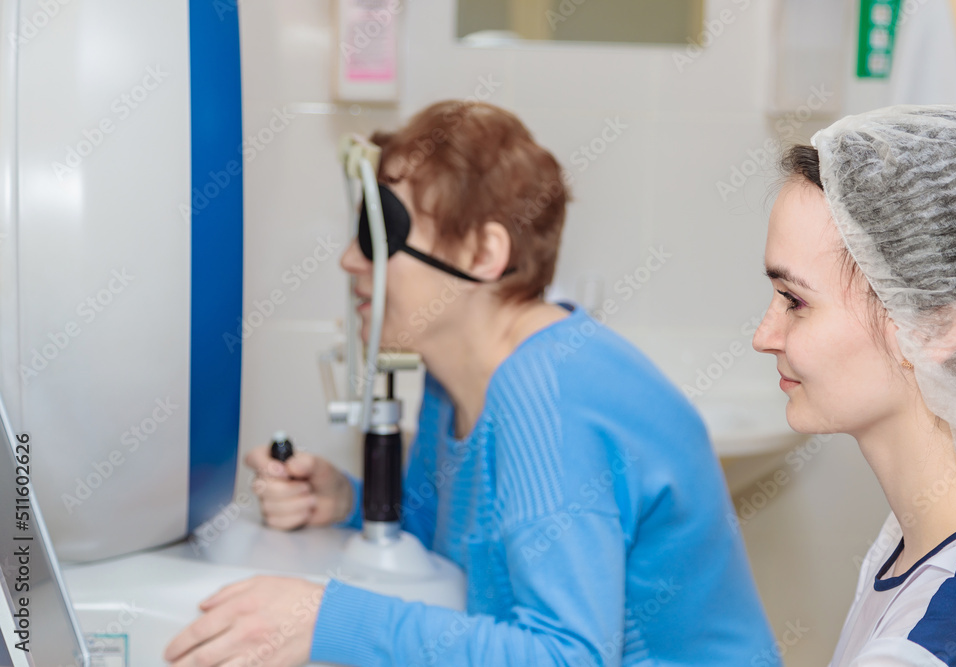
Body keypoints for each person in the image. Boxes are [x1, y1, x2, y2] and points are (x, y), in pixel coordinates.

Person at [165, 100, 774, 666]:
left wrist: (325, 619)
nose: (351, 259)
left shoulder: (548, 396)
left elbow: (568, 657)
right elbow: (452, 550)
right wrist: (349, 503)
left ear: (484, 252)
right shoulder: (455, 377)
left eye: (382, 234)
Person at [753, 105, 956, 666]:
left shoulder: (941, 640)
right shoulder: (912, 540)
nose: (763, 336)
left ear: (933, 325)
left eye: (794, 300)